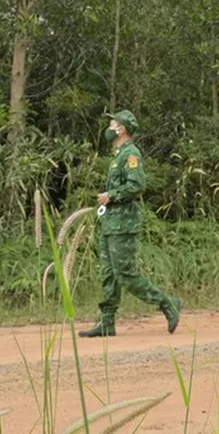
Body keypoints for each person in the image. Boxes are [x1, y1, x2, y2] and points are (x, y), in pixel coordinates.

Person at [79, 110, 181, 337]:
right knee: (108, 273)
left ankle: (167, 303)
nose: (109, 125)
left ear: (121, 129)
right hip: (110, 223)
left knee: (125, 272)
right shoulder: (118, 155)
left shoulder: (131, 154)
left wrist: (112, 195)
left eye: (112, 122)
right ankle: (106, 322)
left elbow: (137, 185)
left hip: (124, 224)